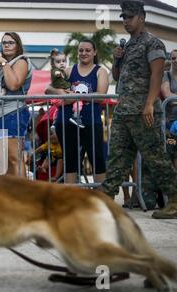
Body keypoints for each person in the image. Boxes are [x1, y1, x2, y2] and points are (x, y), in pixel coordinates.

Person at [99, 0, 177, 219]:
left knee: (156, 158)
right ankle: (105, 200)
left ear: (142, 17)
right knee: (117, 158)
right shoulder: (128, 46)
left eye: (130, 17)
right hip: (124, 111)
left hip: (144, 112)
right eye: (123, 17)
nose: (126, 21)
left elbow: (156, 75)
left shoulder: (152, 43)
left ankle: (175, 199)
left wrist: (148, 104)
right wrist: (116, 60)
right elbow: (117, 77)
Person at [46, 39, 109, 184]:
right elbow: (49, 89)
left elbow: (101, 95)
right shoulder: (69, 70)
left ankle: (102, 198)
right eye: (81, 50)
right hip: (66, 121)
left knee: (97, 160)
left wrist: (74, 97)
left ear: (94, 52)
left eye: (87, 50)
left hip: (90, 121)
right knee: (70, 162)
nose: (84, 53)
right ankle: (71, 202)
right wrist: (62, 93)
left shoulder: (100, 71)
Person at [0, 32, 32, 176]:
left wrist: (3, 63)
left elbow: (13, 85)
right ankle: (11, 195)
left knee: (14, 159)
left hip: (13, 113)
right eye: (4, 42)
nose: (6, 45)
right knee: (3, 161)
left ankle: (23, 195)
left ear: (17, 45)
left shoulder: (21, 61)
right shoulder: (2, 64)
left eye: (11, 42)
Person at [49, 49, 84, 128]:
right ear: (53, 64)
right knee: (79, 101)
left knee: (58, 109)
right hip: (60, 97)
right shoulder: (56, 71)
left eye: (63, 61)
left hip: (57, 98)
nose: (61, 63)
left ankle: (54, 122)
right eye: (58, 62)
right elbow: (55, 73)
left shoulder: (63, 71)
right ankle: (75, 116)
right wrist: (58, 74)